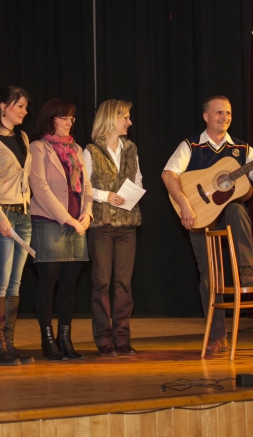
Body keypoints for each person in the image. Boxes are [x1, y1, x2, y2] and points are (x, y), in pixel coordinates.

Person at [161, 95, 253, 356]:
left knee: (236, 207)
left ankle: (247, 270)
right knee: (209, 276)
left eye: (229, 113)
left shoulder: (242, 150)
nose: (225, 117)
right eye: (219, 112)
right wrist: (185, 204)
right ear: (206, 117)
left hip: (229, 217)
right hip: (199, 214)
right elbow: (168, 174)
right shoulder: (191, 146)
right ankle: (216, 337)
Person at [29, 99, 93, 361]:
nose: (69, 123)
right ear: (51, 119)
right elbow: (40, 188)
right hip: (49, 221)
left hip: (77, 222)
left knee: (69, 285)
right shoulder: (38, 148)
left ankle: (65, 338)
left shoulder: (76, 148)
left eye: (71, 118)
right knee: (48, 282)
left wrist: (87, 214)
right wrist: (67, 219)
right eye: (64, 118)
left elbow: (86, 186)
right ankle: (48, 340)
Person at [0, 86, 34, 366]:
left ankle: (9, 344)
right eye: (19, 106)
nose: (24, 111)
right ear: (3, 106)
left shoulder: (22, 137)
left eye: (25, 106)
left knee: (15, 282)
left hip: (23, 215)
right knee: (0, 280)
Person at [83, 99, 142, 357]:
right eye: (124, 117)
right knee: (101, 282)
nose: (129, 122)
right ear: (110, 119)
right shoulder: (91, 151)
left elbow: (138, 179)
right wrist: (105, 196)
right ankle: (104, 339)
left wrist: (132, 194)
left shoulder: (131, 148)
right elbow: (83, 186)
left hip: (127, 225)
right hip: (102, 225)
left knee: (123, 284)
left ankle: (122, 338)